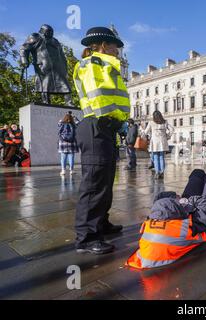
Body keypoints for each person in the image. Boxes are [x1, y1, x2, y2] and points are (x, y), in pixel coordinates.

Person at [72, 26, 130, 255]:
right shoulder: (92, 65)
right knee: (94, 184)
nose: (118, 51)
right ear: (104, 45)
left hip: (105, 127)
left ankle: (101, 223)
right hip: (96, 125)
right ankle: (86, 237)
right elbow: (100, 95)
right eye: (115, 46)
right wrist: (115, 118)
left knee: (105, 181)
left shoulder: (105, 65)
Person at [126, 169, 206, 269]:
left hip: (182, 213)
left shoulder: (155, 215)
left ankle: (191, 196)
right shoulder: (182, 229)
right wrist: (185, 201)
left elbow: (160, 198)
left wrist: (180, 201)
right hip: (199, 224)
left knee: (197, 173)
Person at [143, 110, 174, 179]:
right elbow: (172, 129)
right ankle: (162, 172)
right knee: (161, 157)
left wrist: (142, 134)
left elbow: (145, 132)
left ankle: (157, 172)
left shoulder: (151, 123)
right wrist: (168, 136)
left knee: (156, 157)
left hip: (155, 143)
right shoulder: (165, 122)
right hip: (163, 142)